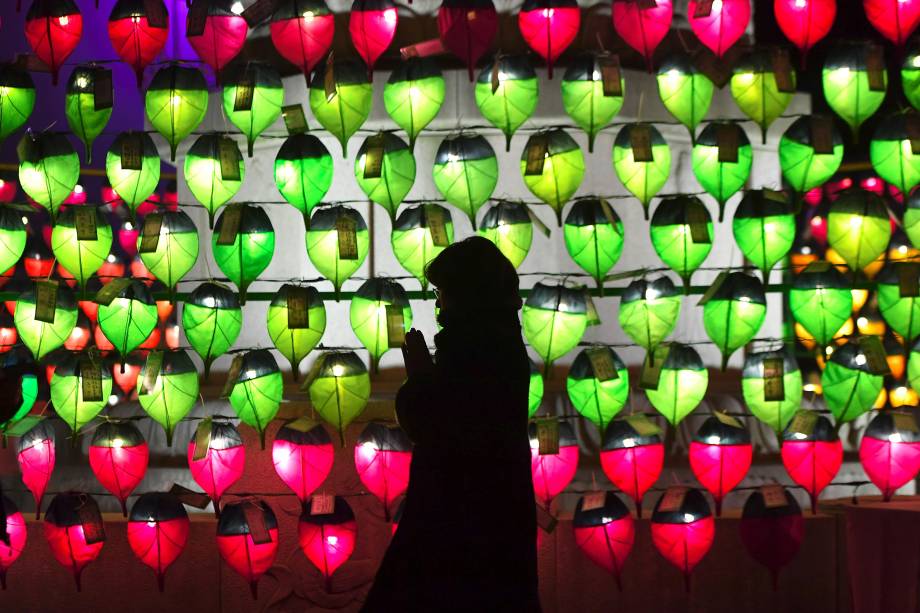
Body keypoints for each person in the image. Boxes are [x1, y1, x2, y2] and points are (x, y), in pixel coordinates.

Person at [362, 236, 540, 612]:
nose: (439, 305)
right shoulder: (502, 343)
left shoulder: (474, 352)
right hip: (494, 523)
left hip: (457, 527)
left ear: (466, 294)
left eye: (443, 292)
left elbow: (436, 426)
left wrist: (421, 376)